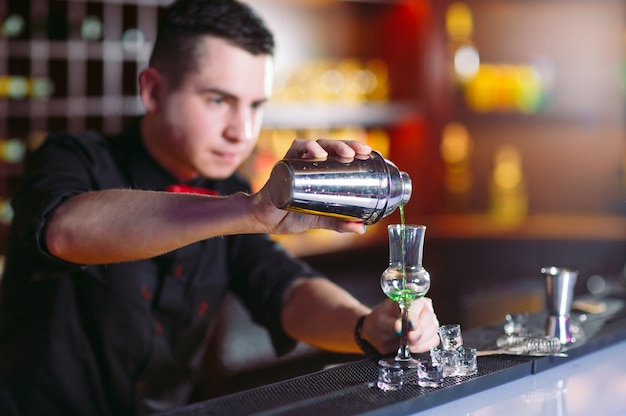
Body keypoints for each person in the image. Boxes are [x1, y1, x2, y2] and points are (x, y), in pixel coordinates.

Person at [0, 0, 440, 414]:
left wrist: (365, 326)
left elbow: (284, 288)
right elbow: (66, 231)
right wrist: (247, 211)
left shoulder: (231, 188)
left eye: (255, 105)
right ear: (153, 91)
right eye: (218, 100)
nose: (242, 131)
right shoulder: (70, 158)